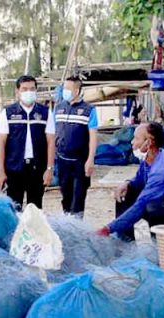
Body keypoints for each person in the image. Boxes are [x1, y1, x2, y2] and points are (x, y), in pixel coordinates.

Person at [98, 122, 164, 240]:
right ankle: (124, 241)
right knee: (126, 193)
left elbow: (141, 205)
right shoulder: (150, 158)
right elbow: (138, 180)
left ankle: (158, 245)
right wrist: (127, 183)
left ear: (149, 142)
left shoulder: (163, 170)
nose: (132, 142)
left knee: (151, 207)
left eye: (136, 139)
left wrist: (107, 229)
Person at [0, 75, 56, 210]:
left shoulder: (45, 113)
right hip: (14, 168)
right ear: (17, 91)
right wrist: (0, 171)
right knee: (13, 207)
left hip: (37, 168)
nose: (29, 92)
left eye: (32, 89)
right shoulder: (8, 113)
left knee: (35, 209)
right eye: (24, 89)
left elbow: (51, 142)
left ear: (36, 91)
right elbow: (1, 143)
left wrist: (49, 169)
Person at [54, 76, 98, 217]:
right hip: (62, 160)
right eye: (64, 88)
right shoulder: (58, 108)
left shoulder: (89, 110)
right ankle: (67, 222)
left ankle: (77, 224)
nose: (64, 91)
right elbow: (53, 133)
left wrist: (90, 159)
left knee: (78, 196)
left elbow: (93, 137)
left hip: (80, 161)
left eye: (68, 88)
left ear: (77, 90)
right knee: (65, 195)